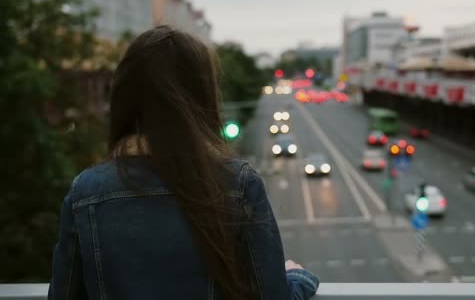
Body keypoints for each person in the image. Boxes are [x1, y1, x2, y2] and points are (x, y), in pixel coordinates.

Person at [48, 26, 320, 300]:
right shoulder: (237, 183)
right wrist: (297, 278)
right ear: (204, 95)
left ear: (124, 97)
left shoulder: (86, 192)